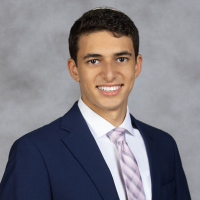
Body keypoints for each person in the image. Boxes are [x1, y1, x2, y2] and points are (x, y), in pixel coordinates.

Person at [0, 7, 191, 200]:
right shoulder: (34, 151)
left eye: (121, 59)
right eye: (94, 61)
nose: (109, 74)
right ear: (74, 70)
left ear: (137, 65)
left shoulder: (164, 145)